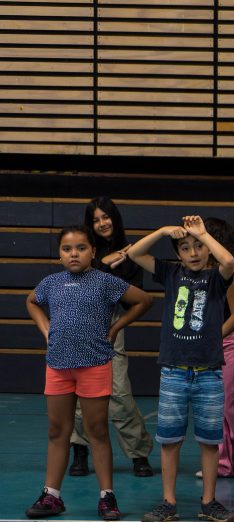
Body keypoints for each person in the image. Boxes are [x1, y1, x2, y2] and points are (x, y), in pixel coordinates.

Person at [24, 226, 151, 519]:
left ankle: (107, 497)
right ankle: (52, 496)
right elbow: (31, 302)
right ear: (59, 254)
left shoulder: (105, 282)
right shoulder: (51, 283)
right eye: (67, 249)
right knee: (58, 432)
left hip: (94, 365)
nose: (74, 254)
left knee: (97, 432)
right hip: (58, 366)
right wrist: (46, 330)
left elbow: (144, 300)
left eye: (81, 248)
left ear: (93, 252)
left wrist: (116, 327)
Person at [126, 216, 234, 522]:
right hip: (174, 371)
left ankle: (209, 502)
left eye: (199, 246)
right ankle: (168, 501)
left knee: (209, 440)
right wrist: (163, 230)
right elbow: (135, 253)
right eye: (186, 247)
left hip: (209, 372)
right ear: (178, 254)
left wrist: (203, 233)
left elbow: (228, 260)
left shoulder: (217, 277)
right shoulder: (171, 273)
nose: (193, 253)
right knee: (170, 439)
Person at [69, 197, 155, 478]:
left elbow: (136, 301)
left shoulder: (131, 254)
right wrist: (103, 264)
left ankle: (138, 453)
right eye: (95, 219)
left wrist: (111, 269)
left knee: (118, 392)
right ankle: (79, 450)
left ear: (115, 219)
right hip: (81, 326)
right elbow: (76, 285)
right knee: (81, 396)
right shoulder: (84, 251)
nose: (102, 223)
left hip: (110, 324)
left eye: (106, 217)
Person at [199, 218, 234, 479]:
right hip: (209, 346)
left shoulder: (229, 274)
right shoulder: (200, 273)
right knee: (215, 408)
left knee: (233, 408)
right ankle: (223, 462)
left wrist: (211, 337)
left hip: (229, 343)